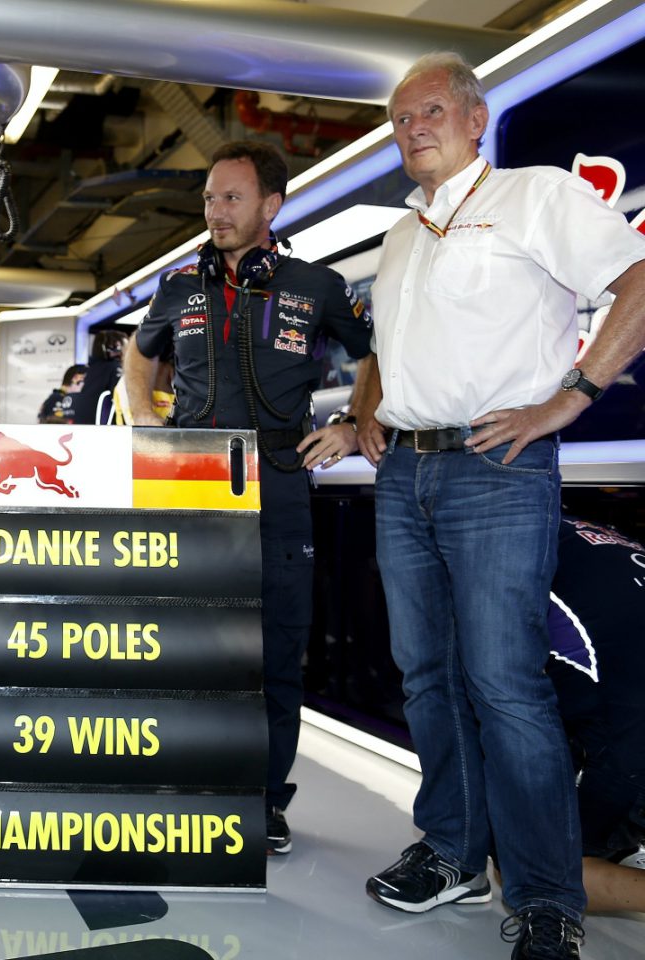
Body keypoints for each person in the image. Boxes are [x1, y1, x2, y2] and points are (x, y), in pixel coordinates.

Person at [356, 52, 645, 960]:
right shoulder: (401, 236)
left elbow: (636, 280)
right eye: (401, 120)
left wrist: (573, 395)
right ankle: (450, 849)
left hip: (498, 469)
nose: (413, 130)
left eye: (430, 111)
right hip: (405, 477)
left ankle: (546, 895)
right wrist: (366, 409)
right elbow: (388, 346)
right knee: (427, 677)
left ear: (477, 119)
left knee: (506, 684)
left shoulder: (537, 197)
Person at [122, 139, 375, 857]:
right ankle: (183, 782)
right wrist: (143, 415)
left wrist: (356, 425)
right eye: (209, 198)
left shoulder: (315, 286)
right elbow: (139, 353)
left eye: (232, 197)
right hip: (190, 485)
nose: (216, 211)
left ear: (271, 205)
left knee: (276, 648)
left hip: (280, 486)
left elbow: (375, 353)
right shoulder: (180, 287)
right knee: (181, 645)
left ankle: (264, 798)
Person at [544, 517, 645, 914]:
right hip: (627, 710)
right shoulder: (596, 530)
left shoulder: (506, 551)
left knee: (536, 871)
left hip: (633, 737)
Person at [72, 331, 125, 425]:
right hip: (105, 427)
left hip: (82, 425)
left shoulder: (86, 369)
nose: (121, 352)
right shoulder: (114, 367)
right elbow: (121, 398)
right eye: (117, 347)